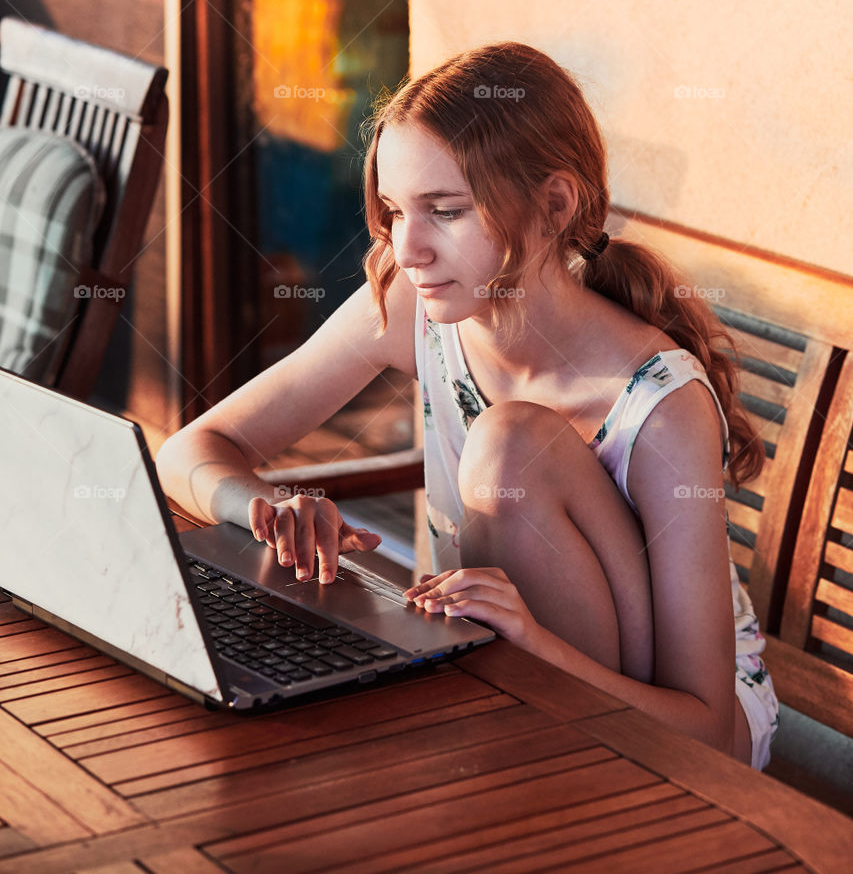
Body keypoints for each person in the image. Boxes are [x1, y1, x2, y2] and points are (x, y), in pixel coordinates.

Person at [156, 41, 779, 771]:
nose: (408, 246)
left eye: (444, 211)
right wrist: (263, 507)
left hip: (669, 737)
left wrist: (530, 641)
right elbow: (191, 450)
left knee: (510, 443)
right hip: (509, 681)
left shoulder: (657, 404)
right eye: (393, 210)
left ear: (553, 205)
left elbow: (706, 736)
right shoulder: (408, 305)